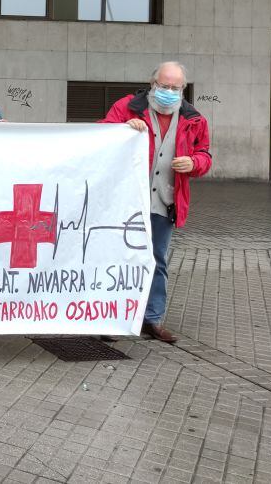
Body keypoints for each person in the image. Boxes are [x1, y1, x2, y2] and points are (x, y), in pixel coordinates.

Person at [100, 61, 212, 343]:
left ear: (183, 90)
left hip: (164, 200)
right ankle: (113, 318)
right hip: (126, 201)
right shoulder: (127, 107)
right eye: (164, 86)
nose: (169, 92)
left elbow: (205, 155)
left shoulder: (194, 119)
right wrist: (123, 128)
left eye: (175, 88)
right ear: (153, 85)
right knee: (119, 259)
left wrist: (194, 162)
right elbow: (101, 135)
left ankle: (151, 318)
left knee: (157, 260)